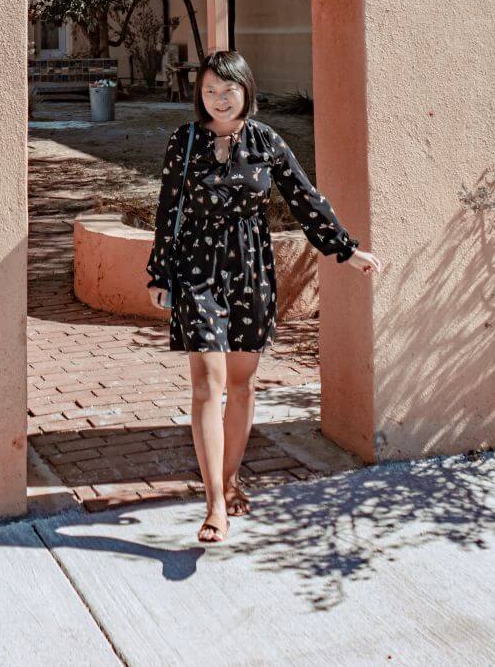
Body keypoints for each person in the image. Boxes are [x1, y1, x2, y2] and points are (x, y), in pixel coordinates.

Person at [146, 48, 382, 544]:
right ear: (200, 95)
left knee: (243, 383)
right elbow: (168, 211)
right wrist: (160, 274)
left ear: (245, 90)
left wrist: (345, 248)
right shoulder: (184, 142)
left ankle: (231, 477)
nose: (218, 99)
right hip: (197, 271)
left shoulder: (266, 142)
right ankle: (214, 504)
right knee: (207, 383)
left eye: (227, 90)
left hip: (251, 269)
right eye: (209, 90)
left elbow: (304, 198)